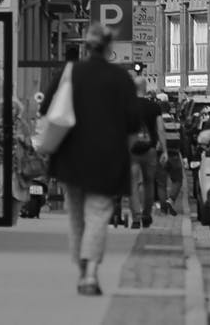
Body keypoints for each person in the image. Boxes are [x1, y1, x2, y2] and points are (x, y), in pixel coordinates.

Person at [45, 23, 141, 295]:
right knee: (98, 214)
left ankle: (81, 267)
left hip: (71, 157)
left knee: (76, 215)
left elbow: (46, 108)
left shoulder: (70, 72)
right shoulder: (121, 79)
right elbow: (133, 125)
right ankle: (90, 273)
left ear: (86, 46)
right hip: (108, 159)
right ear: (110, 47)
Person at [129, 76, 165, 228]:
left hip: (131, 150)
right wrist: (164, 150)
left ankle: (136, 218)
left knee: (133, 184)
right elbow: (160, 129)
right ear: (146, 89)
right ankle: (146, 215)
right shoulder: (154, 107)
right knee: (149, 183)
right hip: (150, 150)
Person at [155, 98, 185, 216]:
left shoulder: (157, 121)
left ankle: (163, 208)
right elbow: (182, 139)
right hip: (175, 154)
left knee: (161, 183)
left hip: (161, 153)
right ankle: (170, 200)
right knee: (177, 180)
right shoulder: (176, 122)